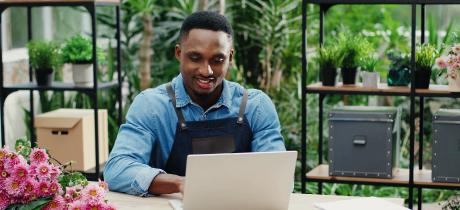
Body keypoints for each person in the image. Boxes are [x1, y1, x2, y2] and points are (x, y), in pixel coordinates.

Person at [104, 10, 286, 197]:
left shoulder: (256, 107)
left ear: (230, 57)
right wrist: (180, 183)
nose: (206, 71)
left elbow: (279, 177)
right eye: (195, 58)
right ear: (179, 53)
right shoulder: (151, 105)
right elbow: (117, 169)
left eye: (217, 60)